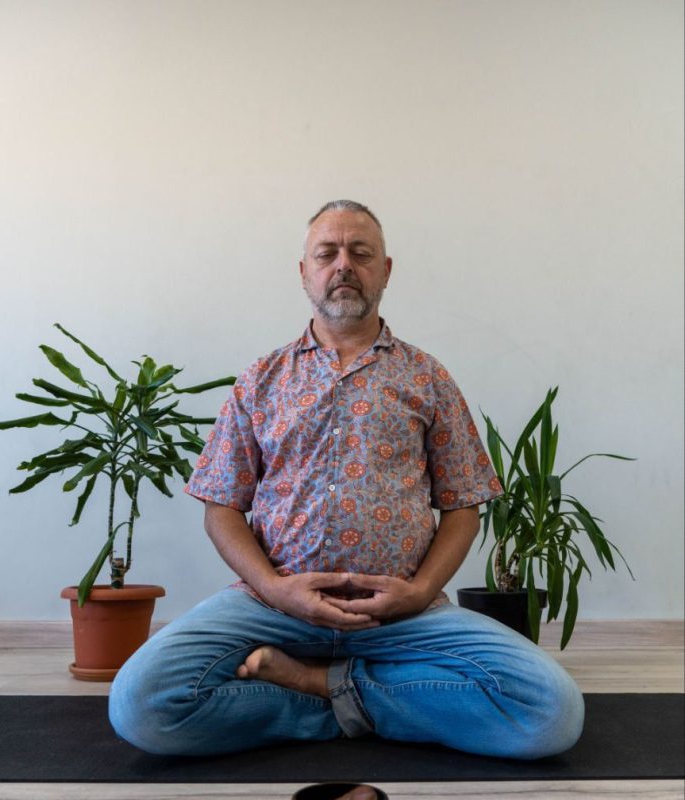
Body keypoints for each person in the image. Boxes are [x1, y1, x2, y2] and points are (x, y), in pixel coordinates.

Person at [109, 200, 584, 759]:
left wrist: (421, 592)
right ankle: (368, 700)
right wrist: (274, 588)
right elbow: (221, 507)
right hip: (272, 607)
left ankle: (315, 685)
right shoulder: (260, 379)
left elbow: (463, 506)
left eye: (361, 253)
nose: (344, 265)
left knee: (552, 714)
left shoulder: (428, 377)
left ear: (385, 270)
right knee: (140, 705)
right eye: (327, 253)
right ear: (304, 272)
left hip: (404, 614)